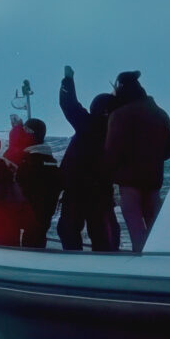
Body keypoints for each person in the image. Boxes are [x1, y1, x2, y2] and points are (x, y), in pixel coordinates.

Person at [105, 70, 170, 253]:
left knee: (135, 224)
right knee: (155, 224)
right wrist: (153, 159)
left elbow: (111, 151)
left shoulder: (120, 115)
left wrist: (111, 173)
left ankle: (142, 261)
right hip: (154, 178)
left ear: (121, 88)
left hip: (129, 181)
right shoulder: (160, 113)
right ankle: (161, 257)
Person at [55, 68, 120, 252]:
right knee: (102, 230)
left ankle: (74, 260)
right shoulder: (115, 130)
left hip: (76, 186)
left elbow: (69, 104)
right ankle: (108, 262)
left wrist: (68, 81)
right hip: (101, 188)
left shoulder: (87, 124)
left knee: (69, 228)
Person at [16, 118, 63, 249]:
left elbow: (20, 183)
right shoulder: (49, 159)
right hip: (45, 214)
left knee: (31, 240)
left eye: (25, 131)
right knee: (39, 235)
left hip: (31, 215)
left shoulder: (30, 161)